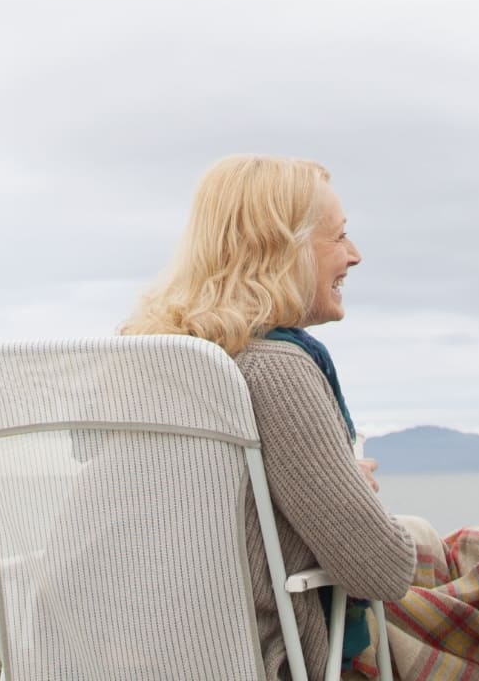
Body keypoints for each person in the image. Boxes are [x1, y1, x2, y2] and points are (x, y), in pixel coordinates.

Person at [123, 155, 414, 681]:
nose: (355, 255)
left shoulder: (142, 366)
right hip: (238, 662)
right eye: (340, 237)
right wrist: (352, 496)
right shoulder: (270, 368)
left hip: (98, 652)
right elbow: (384, 570)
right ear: (285, 248)